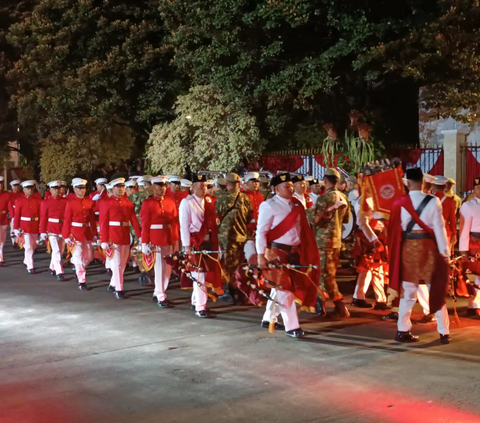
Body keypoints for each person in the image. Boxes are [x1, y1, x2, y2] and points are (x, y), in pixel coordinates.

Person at [388, 168, 451, 344]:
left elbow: (393, 229)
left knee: (408, 292)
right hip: (429, 249)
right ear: (423, 182)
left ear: (407, 183)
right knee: (435, 289)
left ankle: (402, 331)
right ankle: (443, 332)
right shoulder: (433, 201)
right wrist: (444, 253)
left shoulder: (399, 202)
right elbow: (440, 229)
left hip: (408, 249)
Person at [256, 172, 320, 338]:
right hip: (276, 251)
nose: (290, 188)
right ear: (276, 188)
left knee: (280, 287)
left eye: (291, 185)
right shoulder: (269, 205)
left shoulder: (297, 204)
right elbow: (261, 232)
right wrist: (261, 255)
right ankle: (292, 327)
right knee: (285, 288)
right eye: (286, 186)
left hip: (294, 251)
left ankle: (267, 318)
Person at [179, 173, 221, 317]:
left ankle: (196, 300)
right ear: (193, 187)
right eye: (201, 186)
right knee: (198, 274)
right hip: (195, 241)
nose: (204, 189)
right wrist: (187, 246)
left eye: (205, 186)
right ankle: (201, 307)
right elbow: (184, 226)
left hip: (209, 241)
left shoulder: (209, 202)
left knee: (204, 273)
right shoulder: (187, 202)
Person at [311, 168, 351, 318]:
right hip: (336, 241)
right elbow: (347, 220)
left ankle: (327, 306)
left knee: (322, 274)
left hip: (322, 241)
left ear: (325, 181)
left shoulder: (323, 199)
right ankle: (334, 306)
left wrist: (307, 211)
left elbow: (314, 219)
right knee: (329, 274)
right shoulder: (343, 197)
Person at [215, 172, 253, 304]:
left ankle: (234, 294)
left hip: (227, 237)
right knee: (241, 265)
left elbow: (216, 214)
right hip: (241, 235)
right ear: (239, 184)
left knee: (230, 267)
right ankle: (243, 292)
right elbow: (249, 216)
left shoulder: (222, 198)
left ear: (226, 184)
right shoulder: (245, 198)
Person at [100, 178, 141, 299]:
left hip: (125, 235)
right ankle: (119, 288)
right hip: (113, 235)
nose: (120, 189)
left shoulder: (128, 203)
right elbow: (103, 222)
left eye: (122, 187)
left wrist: (140, 236)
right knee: (117, 263)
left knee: (122, 263)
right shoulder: (107, 203)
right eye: (118, 187)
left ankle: (113, 283)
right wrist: (104, 239)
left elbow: (133, 220)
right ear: (113, 189)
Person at [140, 176, 177, 307]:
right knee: (159, 268)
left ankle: (158, 292)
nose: (162, 188)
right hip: (155, 239)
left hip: (168, 237)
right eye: (159, 186)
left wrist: (175, 239)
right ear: (152, 187)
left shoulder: (170, 202)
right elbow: (145, 225)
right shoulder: (147, 203)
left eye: (164, 186)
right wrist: (144, 242)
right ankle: (161, 296)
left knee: (167, 269)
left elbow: (174, 222)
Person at [351, 194, 388, 309]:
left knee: (370, 270)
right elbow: (363, 223)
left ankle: (360, 297)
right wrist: (374, 240)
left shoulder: (373, 198)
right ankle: (379, 300)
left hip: (374, 236)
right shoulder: (366, 200)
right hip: (370, 238)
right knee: (373, 269)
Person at [62, 178, 97, 290]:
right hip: (75, 233)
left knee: (88, 257)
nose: (82, 190)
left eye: (83, 188)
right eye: (79, 188)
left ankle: (76, 265)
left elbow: (91, 219)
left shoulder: (89, 202)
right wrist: (66, 235)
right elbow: (67, 220)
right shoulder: (70, 203)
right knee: (78, 256)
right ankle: (82, 280)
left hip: (86, 232)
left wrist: (95, 233)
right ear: (74, 189)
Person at [459, 177, 480, 317]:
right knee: (477, 275)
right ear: (474, 189)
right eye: (479, 188)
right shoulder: (468, 205)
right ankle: (475, 305)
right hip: (475, 242)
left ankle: (475, 305)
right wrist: (463, 248)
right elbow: (464, 228)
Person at [39, 180, 67, 280]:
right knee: (56, 250)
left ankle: (52, 267)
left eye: (58, 188)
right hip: (51, 228)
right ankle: (60, 272)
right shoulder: (45, 202)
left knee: (61, 250)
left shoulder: (65, 201)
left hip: (62, 228)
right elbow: (43, 217)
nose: (57, 191)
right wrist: (42, 231)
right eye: (55, 189)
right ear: (50, 190)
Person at [13, 180, 42, 274]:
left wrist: (41, 228)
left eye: (31, 188)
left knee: (33, 246)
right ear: (24, 190)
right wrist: (15, 228)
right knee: (28, 246)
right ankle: (30, 266)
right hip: (24, 227)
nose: (30, 190)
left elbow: (41, 215)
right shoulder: (20, 201)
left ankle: (26, 260)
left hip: (35, 226)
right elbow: (17, 216)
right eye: (28, 189)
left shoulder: (38, 201)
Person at [129, 175, 153, 284]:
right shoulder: (154, 196)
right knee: (152, 248)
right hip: (152, 227)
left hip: (137, 227)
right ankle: (150, 268)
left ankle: (143, 270)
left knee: (139, 248)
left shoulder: (134, 197)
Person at [242, 172, 264, 263]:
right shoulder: (242, 196)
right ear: (246, 184)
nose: (256, 184)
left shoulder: (261, 196)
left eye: (257, 182)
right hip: (247, 231)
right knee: (251, 256)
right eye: (252, 182)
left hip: (259, 230)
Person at [8, 180, 23, 248]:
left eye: (17, 186)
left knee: (22, 228)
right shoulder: (10, 195)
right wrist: (12, 215)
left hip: (22, 214)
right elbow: (10, 205)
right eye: (15, 186)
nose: (16, 188)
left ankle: (21, 241)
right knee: (13, 228)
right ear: (12, 187)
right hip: (14, 213)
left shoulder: (22, 194)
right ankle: (14, 241)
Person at [0, 177, 10, 266]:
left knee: (2, 239)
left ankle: (0, 256)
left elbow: (9, 206)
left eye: (1, 183)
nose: (0, 185)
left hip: (3, 218)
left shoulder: (6, 194)